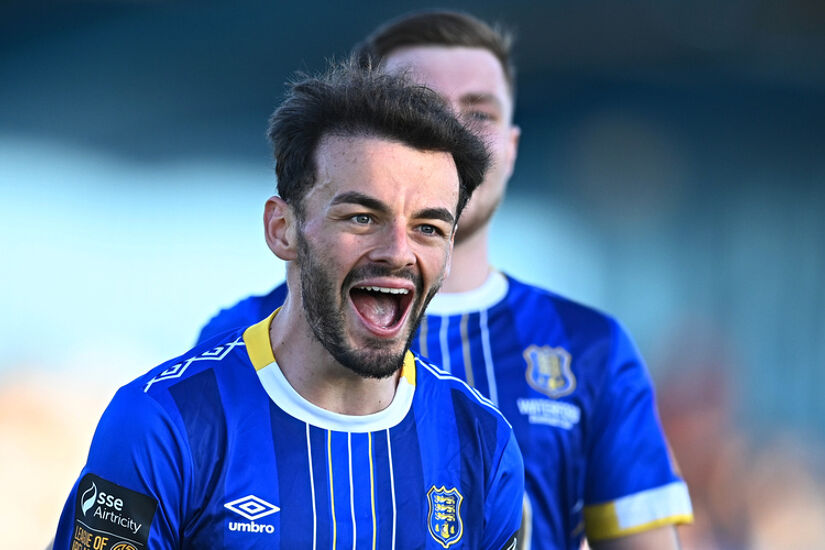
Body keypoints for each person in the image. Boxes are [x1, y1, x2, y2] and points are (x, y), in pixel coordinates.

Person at [198, 10, 694, 550]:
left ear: (511, 145)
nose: (454, 132)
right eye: (422, 107)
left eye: (478, 113)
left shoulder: (590, 348)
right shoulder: (240, 336)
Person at [53, 60, 524, 549]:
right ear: (283, 229)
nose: (399, 252)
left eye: (429, 228)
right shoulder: (163, 423)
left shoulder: (482, 442)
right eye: (362, 217)